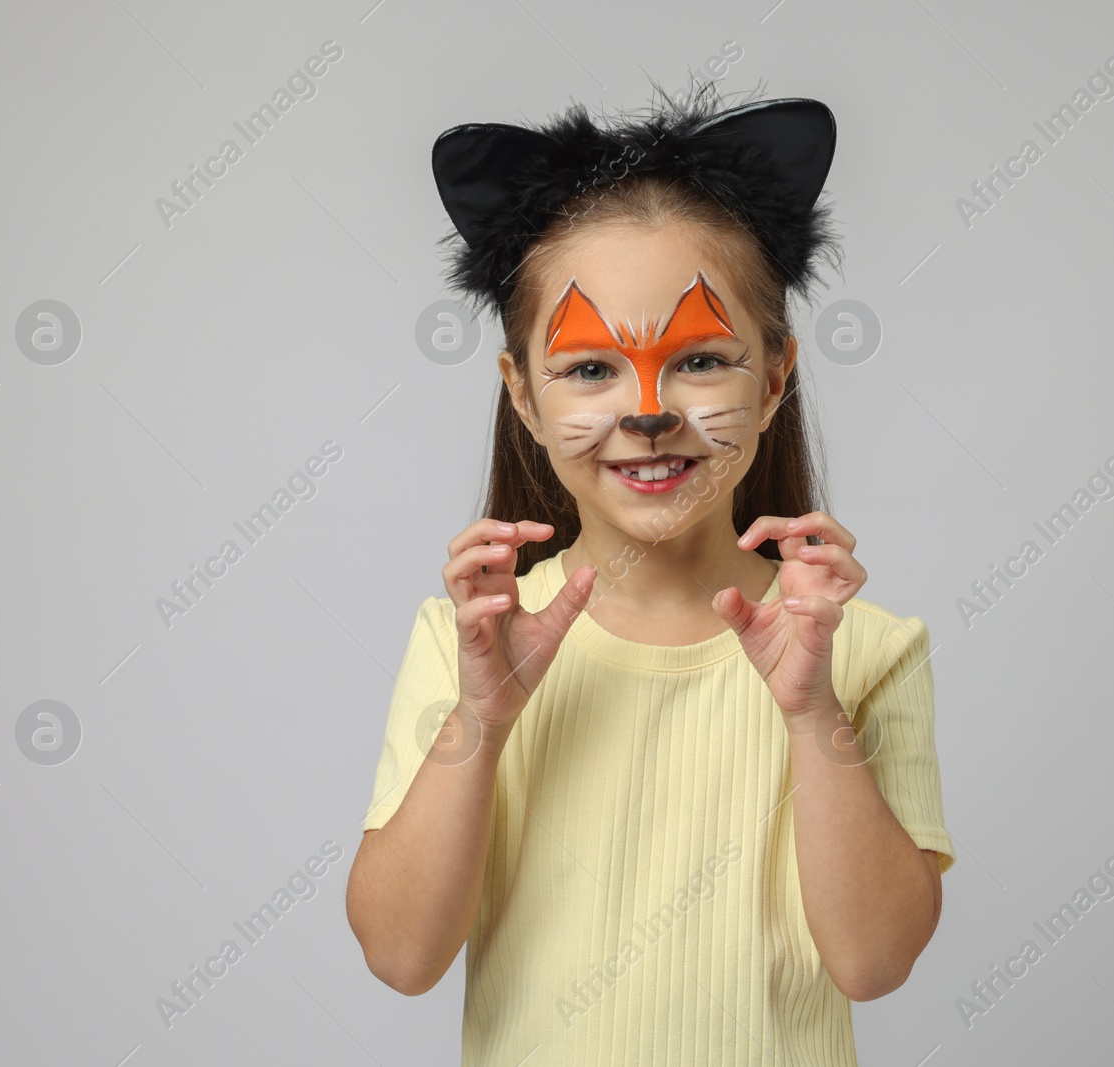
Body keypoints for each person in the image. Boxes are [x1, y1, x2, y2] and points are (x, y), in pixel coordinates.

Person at [346, 80, 955, 1066]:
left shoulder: (864, 647)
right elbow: (402, 951)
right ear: (523, 396)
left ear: (774, 377)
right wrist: (481, 719)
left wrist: (811, 713)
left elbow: (875, 959)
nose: (646, 411)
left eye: (701, 359)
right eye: (588, 369)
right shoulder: (467, 644)